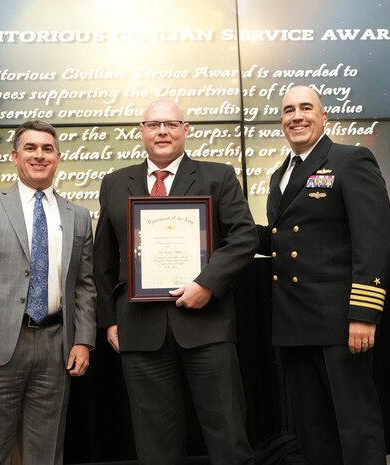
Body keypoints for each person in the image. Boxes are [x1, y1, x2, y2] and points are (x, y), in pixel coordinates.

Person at [94, 99, 259, 465]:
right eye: (153, 125)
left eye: (170, 124)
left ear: (186, 129)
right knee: (155, 445)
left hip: (207, 325)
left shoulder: (218, 176)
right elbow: (102, 259)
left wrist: (207, 283)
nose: (162, 131)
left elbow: (245, 237)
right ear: (141, 131)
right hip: (139, 329)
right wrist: (109, 320)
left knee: (228, 435)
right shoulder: (115, 182)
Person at [0, 120, 97, 465]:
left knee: (45, 454)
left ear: (58, 158)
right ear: (15, 156)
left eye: (47, 149)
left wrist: (83, 339)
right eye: (30, 148)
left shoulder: (79, 216)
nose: (39, 155)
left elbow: (85, 285)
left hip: (56, 347)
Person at [257, 85, 390, 465]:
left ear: (324, 116)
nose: (296, 116)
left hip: (338, 321)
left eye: (305, 108)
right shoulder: (279, 175)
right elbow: (283, 239)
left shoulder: (350, 160)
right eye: (288, 110)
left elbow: (374, 241)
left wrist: (364, 314)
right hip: (295, 321)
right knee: (312, 430)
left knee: (355, 424)